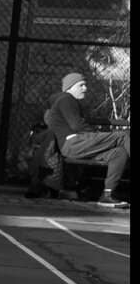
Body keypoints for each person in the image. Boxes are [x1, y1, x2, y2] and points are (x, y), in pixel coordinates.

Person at [44, 72, 129, 208]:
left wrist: (98, 137)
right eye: (81, 85)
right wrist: (97, 135)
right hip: (73, 144)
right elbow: (77, 126)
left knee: (118, 153)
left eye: (85, 85)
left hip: (76, 146)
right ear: (70, 87)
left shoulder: (65, 100)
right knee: (122, 136)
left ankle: (107, 195)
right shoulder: (66, 98)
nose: (85, 88)